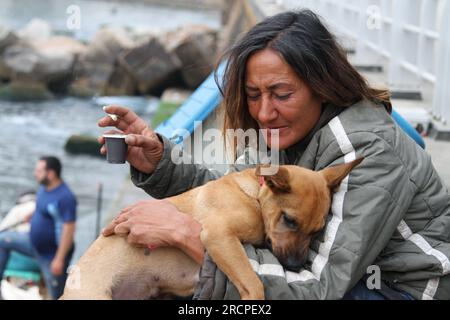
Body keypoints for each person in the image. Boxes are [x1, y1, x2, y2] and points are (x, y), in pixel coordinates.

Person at [98, 10, 450, 300]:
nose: (264, 112)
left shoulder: (368, 149)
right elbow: (233, 201)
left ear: (322, 85)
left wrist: (191, 236)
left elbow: (320, 289)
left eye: (281, 94)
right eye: (253, 94)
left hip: (397, 290)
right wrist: (161, 164)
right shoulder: (280, 133)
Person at [0, 156, 76, 299]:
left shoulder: (66, 197)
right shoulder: (44, 188)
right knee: (2, 239)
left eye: (39, 170)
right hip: (33, 244)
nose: (35, 173)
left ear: (51, 173)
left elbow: (69, 229)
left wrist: (59, 259)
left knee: (57, 295)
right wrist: (31, 215)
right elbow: (41, 207)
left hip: (51, 255)